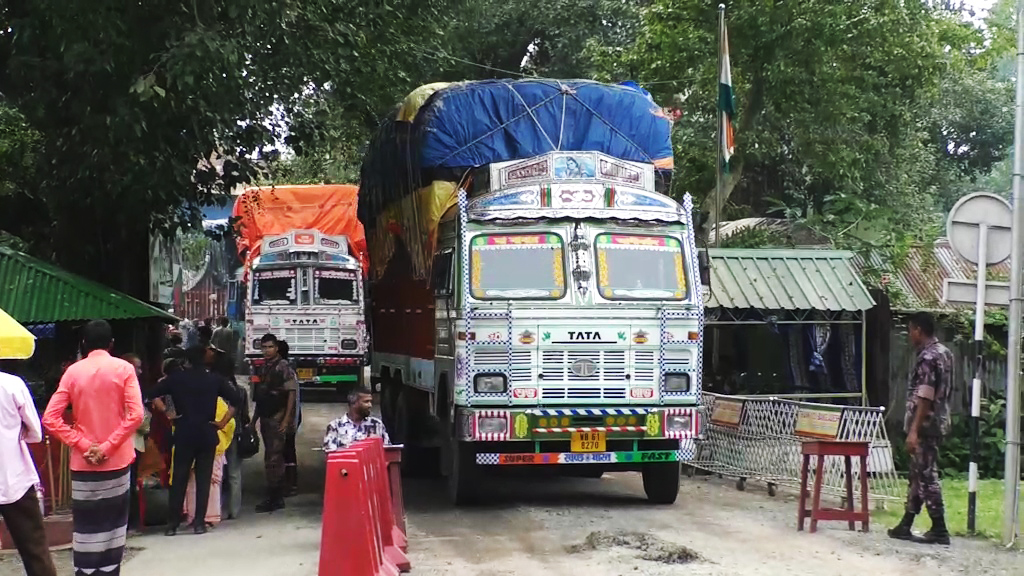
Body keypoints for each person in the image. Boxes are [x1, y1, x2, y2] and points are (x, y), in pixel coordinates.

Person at [42, 320, 144, 576]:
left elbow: (50, 418)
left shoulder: (73, 372)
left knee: (87, 528)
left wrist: (84, 444)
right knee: (113, 527)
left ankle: (85, 572)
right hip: (117, 462)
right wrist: (108, 447)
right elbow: (136, 415)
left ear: (84, 344)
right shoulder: (124, 369)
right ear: (111, 344)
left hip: (83, 463)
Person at [149, 345, 238, 536]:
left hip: (183, 431)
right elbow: (236, 399)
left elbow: (152, 393)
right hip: (207, 432)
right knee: (203, 479)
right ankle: (199, 523)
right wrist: (222, 422)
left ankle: (172, 525)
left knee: (179, 478)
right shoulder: (214, 379)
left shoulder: (176, 379)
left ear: (186, 360)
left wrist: (168, 413)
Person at [888, 311, 953, 546]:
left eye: (910, 330)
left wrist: (914, 430)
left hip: (925, 425)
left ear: (918, 330)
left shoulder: (927, 357)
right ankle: (906, 524)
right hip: (938, 421)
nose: (909, 335)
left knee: (926, 474)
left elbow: (925, 395)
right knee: (917, 474)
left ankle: (939, 528)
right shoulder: (945, 353)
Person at [0, 368, 58, 576]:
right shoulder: (11, 384)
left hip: (14, 477)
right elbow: (35, 432)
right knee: (35, 550)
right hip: (14, 475)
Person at [250, 333, 297, 513]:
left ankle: (276, 497)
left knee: (275, 458)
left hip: (277, 417)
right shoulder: (264, 367)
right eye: (264, 347)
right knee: (270, 457)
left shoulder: (283, 366)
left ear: (276, 348)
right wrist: (254, 420)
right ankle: (273, 495)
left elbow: (291, 393)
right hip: (266, 416)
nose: (267, 350)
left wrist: (286, 419)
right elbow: (260, 397)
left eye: (270, 347)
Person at [211, 350, 249, 520]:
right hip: (236, 433)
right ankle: (234, 510)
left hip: (216, 432)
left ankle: (215, 508)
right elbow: (245, 415)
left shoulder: (213, 387)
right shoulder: (240, 390)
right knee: (234, 472)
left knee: (216, 471)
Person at [121, 353, 153, 534]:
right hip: (131, 441)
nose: (140, 371)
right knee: (130, 483)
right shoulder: (128, 389)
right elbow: (137, 418)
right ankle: (130, 523)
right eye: (137, 367)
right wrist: (147, 424)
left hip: (126, 441)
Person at [322, 387, 390, 453]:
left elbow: (388, 452)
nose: (370, 405)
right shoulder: (335, 426)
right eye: (366, 402)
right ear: (353, 403)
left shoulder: (377, 425)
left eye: (370, 401)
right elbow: (331, 456)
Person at [279, 340, 301, 497]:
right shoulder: (287, 369)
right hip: (290, 418)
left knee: (285, 450)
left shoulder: (285, 371)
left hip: (286, 419)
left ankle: (288, 483)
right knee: (287, 449)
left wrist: (288, 420)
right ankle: (289, 483)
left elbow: (293, 398)